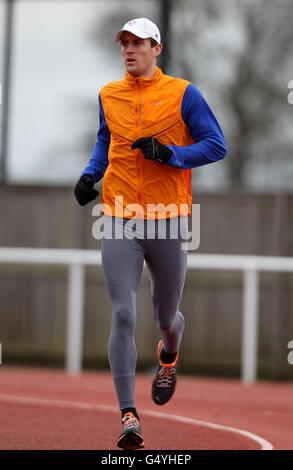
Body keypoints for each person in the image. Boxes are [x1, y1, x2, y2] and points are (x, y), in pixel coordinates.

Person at [74, 17, 227, 450]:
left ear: (156, 49)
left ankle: (169, 353)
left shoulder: (184, 93)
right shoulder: (109, 94)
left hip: (169, 217)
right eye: (124, 43)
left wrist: (170, 153)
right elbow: (105, 142)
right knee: (122, 312)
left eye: (138, 43)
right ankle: (128, 416)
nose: (129, 49)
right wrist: (90, 175)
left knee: (165, 318)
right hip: (119, 216)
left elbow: (216, 144)